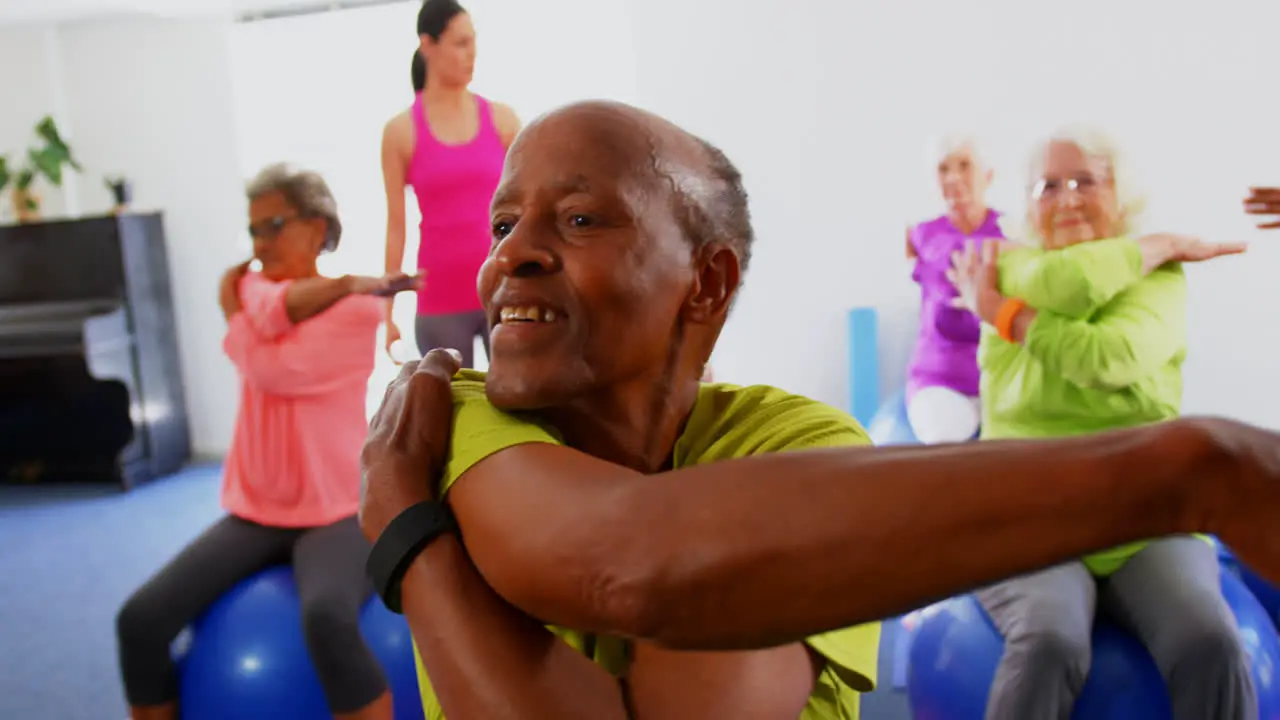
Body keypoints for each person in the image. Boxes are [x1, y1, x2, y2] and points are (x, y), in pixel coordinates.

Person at [357, 101, 1280, 720]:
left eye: (581, 218)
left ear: (705, 283)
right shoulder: (459, 406)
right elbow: (628, 563)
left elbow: (639, 564)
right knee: (1046, 641)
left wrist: (408, 527)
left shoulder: (799, 445)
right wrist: (1188, 470)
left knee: (1204, 637)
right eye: (501, 223)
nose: (510, 253)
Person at [949, 129, 1253, 719]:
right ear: (1027, 205)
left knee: (1210, 641)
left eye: (1086, 180)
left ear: (1121, 193)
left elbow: (1107, 360)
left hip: (1145, 513)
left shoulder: (1158, 279)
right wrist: (1153, 244)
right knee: (1050, 640)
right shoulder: (1009, 264)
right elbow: (1075, 287)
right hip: (1030, 512)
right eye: (1048, 186)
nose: (1066, 198)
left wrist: (1005, 315)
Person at [116, 164, 419, 720]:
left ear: (317, 225)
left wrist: (235, 318)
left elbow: (275, 371)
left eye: (273, 225)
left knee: (327, 621)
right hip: (256, 510)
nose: (260, 244)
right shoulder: (256, 285)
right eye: (253, 230)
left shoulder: (359, 309)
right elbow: (262, 324)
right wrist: (249, 314)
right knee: (139, 621)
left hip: (337, 509)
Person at [381, 0, 521, 366]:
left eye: (473, 41)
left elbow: (528, 209)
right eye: (460, 43)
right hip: (440, 298)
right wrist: (387, 313)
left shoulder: (503, 120)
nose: (470, 54)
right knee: (454, 413)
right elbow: (396, 227)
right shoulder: (400, 132)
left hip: (503, 288)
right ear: (427, 45)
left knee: (523, 408)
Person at [904, 135, 1004, 444]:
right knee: (942, 437)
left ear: (987, 176)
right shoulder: (923, 235)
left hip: (1000, 379)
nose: (953, 178)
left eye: (965, 166)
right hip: (939, 380)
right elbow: (947, 315)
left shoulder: (1010, 232)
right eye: (943, 169)